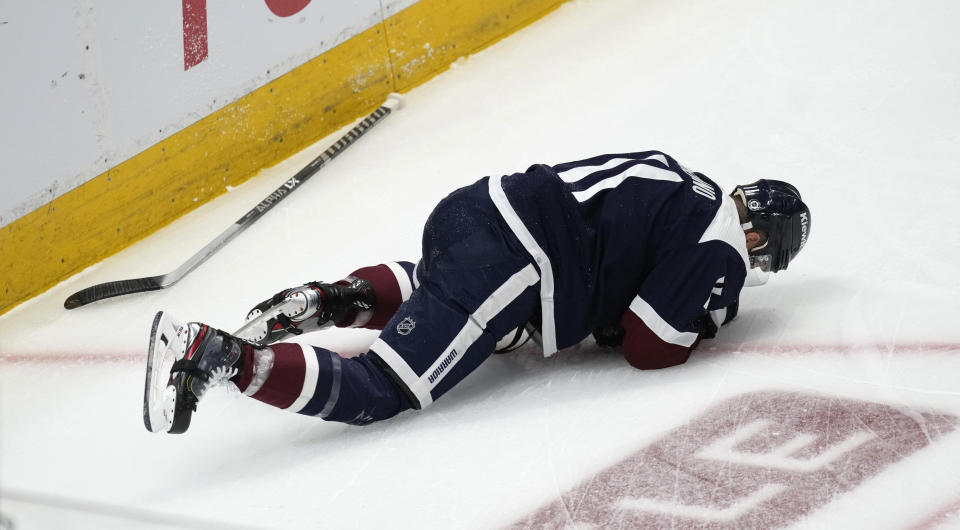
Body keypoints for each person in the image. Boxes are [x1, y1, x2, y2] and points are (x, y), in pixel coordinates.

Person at [143, 150, 811, 434]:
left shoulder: (676, 176)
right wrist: (689, 328)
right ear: (762, 239)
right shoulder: (718, 240)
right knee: (383, 390)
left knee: (463, 305)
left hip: (476, 210)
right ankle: (217, 354)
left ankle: (329, 299)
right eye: (769, 256)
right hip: (515, 264)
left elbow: (612, 237)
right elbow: (650, 344)